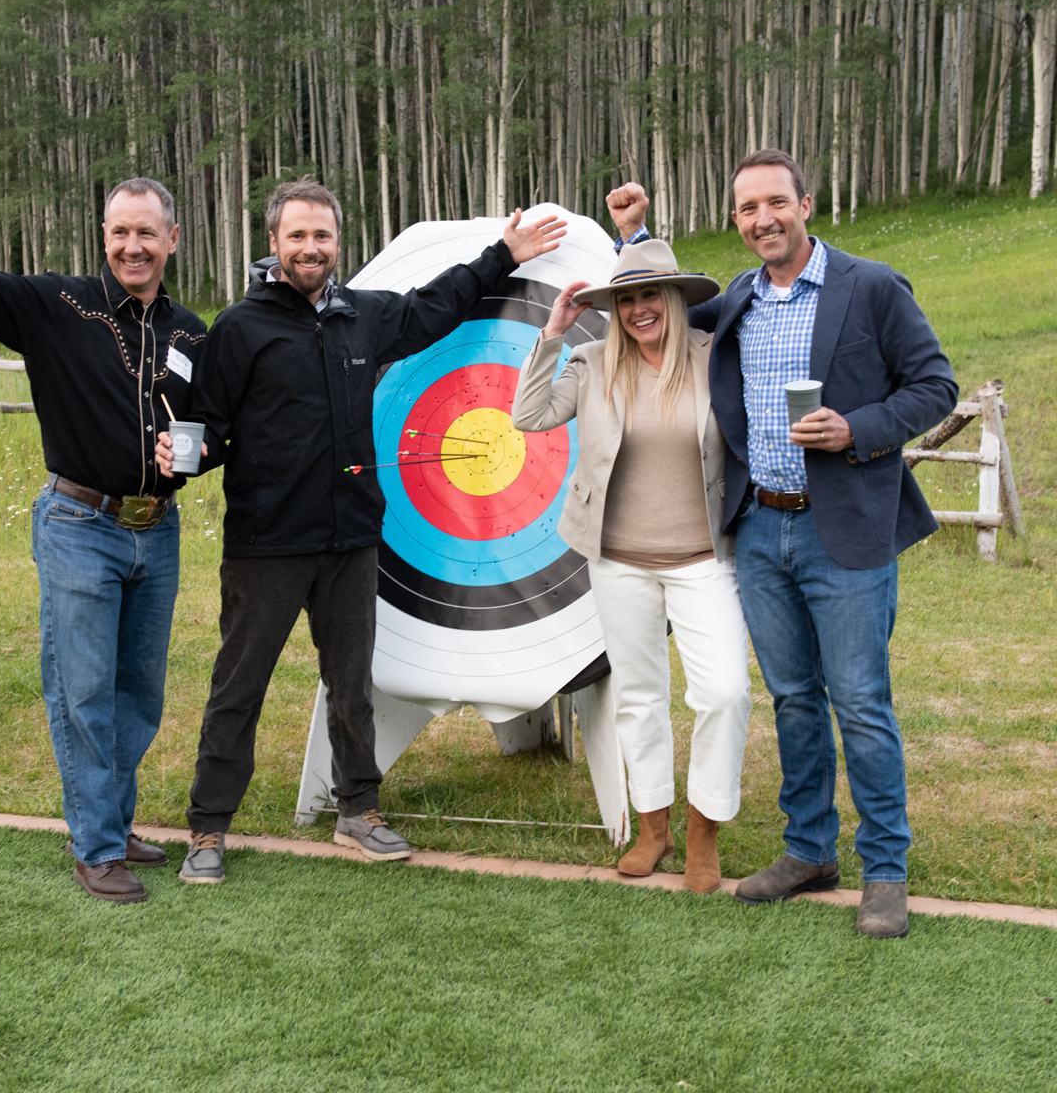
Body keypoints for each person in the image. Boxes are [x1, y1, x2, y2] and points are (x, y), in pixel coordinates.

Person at [158, 181, 566, 884]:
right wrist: (180, 457)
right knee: (239, 685)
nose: (310, 249)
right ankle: (208, 828)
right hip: (266, 547)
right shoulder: (241, 327)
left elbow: (437, 306)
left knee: (351, 684)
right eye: (297, 237)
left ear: (336, 242)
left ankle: (359, 812)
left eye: (321, 236)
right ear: (274, 244)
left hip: (350, 540)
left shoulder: (363, 317)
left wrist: (504, 252)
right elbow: (212, 433)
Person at [609, 151, 957, 937]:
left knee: (861, 702)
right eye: (746, 209)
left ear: (807, 202)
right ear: (735, 221)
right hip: (759, 529)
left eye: (775, 203)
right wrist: (637, 234)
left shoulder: (869, 286)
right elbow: (654, 309)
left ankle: (886, 869)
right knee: (795, 699)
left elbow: (935, 385)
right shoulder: (733, 301)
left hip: (846, 528)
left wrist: (857, 429)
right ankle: (809, 850)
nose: (762, 219)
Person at [0, 132, 208, 904]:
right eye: (120, 232)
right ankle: (96, 848)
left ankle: (113, 822)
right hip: (80, 526)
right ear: (103, 237)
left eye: (147, 232)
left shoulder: (191, 335)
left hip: (159, 533)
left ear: (173, 239)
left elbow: (211, 428)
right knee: (82, 691)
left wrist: (196, 455)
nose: (132, 246)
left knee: (136, 694)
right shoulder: (57, 306)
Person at [512, 238, 752, 892]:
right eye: (625, 299)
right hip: (618, 561)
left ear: (674, 298)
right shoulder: (591, 364)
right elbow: (527, 415)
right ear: (612, 310)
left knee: (725, 692)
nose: (639, 308)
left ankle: (705, 831)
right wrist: (554, 333)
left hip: (704, 559)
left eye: (650, 294)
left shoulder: (714, 360)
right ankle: (655, 828)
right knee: (639, 698)